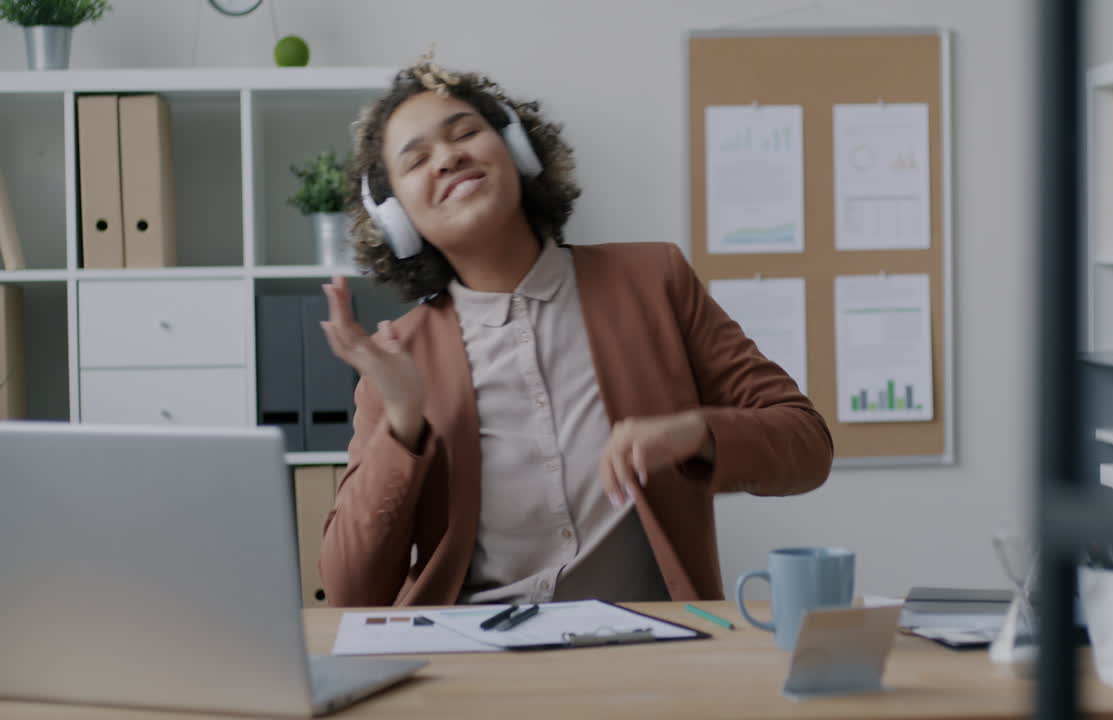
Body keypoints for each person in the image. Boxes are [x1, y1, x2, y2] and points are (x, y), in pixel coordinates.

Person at [318, 55, 832, 607]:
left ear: (516, 150)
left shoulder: (653, 282)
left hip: (651, 643)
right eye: (417, 159)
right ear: (396, 218)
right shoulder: (398, 357)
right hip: (472, 647)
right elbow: (350, 591)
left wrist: (695, 433)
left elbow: (806, 447)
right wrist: (401, 422)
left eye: (465, 133)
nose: (448, 158)